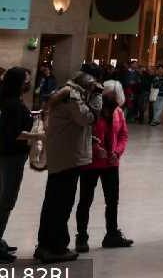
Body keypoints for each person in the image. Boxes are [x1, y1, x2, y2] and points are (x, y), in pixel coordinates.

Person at [34, 67, 102, 263]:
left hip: (64, 156)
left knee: (53, 202)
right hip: (68, 159)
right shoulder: (72, 96)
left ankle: (46, 244)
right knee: (61, 204)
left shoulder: (71, 93)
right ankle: (56, 246)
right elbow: (86, 118)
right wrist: (97, 97)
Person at [75, 80, 132, 252]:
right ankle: (82, 237)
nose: (111, 100)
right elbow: (83, 134)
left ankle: (112, 234)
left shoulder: (119, 113)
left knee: (112, 200)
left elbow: (123, 135)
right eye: (108, 96)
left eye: (114, 97)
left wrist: (117, 152)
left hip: (111, 163)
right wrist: (94, 148)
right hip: (91, 163)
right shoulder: (92, 111)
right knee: (86, 200)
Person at [0, 68, 34, 262]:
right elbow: (16, 133)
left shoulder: (9, 101)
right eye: (26, 80)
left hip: (8, 155)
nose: (28, 83)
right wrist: (40, 136)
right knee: (7, 200)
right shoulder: (12, 105)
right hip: (11, 156)